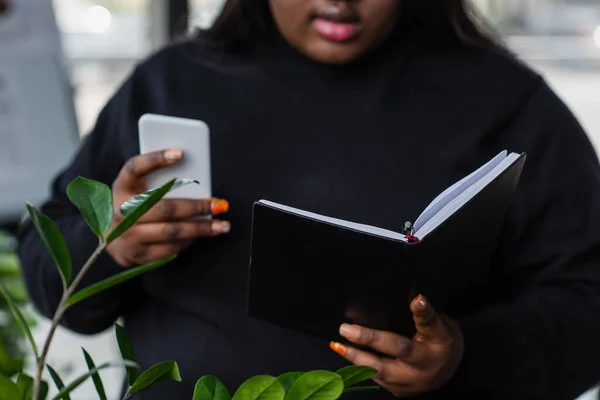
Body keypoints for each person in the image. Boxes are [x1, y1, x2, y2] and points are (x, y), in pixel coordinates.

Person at [17, 0, 600, 399]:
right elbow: (48, 276)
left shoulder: (505, 104)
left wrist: (464, 358)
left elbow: (588, 302)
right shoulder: (172, 82)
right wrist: (112, 246)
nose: (340, 1)